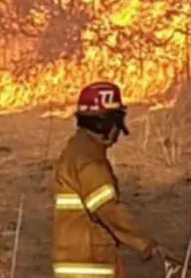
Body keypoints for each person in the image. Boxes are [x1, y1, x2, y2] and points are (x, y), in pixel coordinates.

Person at [52, 81, 161, 278]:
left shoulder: (78, 149)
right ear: (105, 123)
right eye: (117, 122)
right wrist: (144, 242)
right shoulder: (89, 160)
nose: (119, 131)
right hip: (89, 263)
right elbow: (107, 208)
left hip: (80, 257)